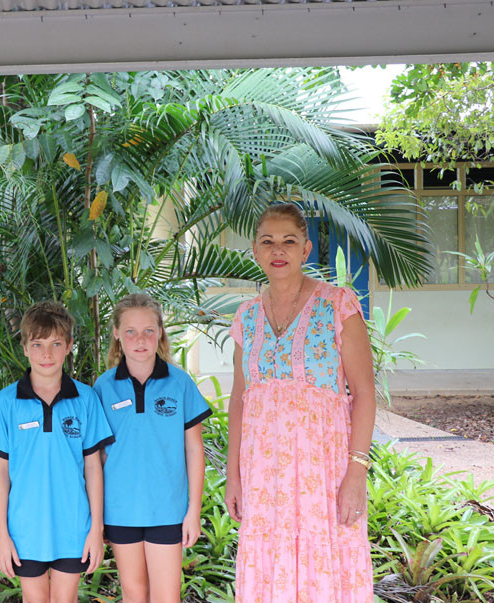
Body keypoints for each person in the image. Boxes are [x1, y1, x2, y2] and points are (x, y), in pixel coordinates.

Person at [225, 203, 376, 601]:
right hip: (263, 476)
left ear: (306, 249)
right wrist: (234, 475)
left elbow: (363, 393)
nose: (279, 250)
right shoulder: (246, 317)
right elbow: (240, 399)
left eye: (289, 241)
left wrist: (357, 472)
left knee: (325, 564)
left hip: (322, 473)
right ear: (255, 251)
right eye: (268, 241)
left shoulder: (337, 306)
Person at [0, 302, 114, 603]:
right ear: (25, 348)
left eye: (56, 344)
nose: (47, 354)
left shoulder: (86, 398)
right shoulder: (7, 401)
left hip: (73, 526)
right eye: (37, 344)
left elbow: (93, 468)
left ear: (68, 346)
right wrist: (1, 535)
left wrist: (96, 529)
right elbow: (0, 473)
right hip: (25, 529)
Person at [92, 293, 211, 603]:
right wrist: (97, 516)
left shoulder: (180, 383)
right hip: (120, 510)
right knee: (134, 593)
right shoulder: (103, 387)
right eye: (130, 331)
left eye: (148, 330)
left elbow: (195, 451)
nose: (140, 339)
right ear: (117, 334)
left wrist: (193, 512)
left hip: (168, 509)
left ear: (160, 332)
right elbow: (97, 457)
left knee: (166, 596)